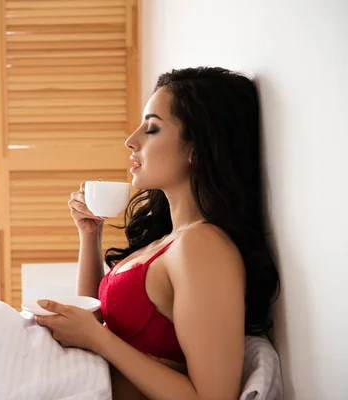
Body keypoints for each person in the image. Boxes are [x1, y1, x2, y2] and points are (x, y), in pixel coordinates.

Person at [35, 66, 280, 400]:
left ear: (196, 148)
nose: (131, 140)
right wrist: (90, 235)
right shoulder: (167, 240)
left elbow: (214, 397)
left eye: (151, 129)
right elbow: (96, 312)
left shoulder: (203, 247)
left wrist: (99, 340)